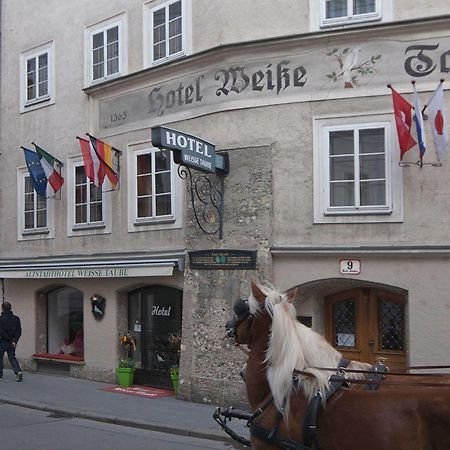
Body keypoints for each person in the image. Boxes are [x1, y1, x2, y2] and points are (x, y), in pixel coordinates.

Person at [0, 301, 23, 382]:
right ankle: (18, 372)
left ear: (2, 308)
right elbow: (19, 331)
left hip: (2, 341)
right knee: (12, 357)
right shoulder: (16, 319)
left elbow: (1, 331)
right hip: (12, 342)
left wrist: (7, 339)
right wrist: (14, 340)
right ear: (10, 308)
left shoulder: (0, 319)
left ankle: (0, 374)